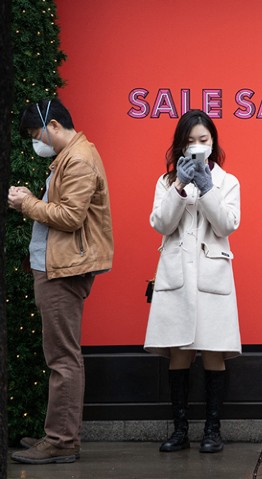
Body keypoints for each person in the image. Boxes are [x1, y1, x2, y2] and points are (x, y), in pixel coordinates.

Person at [9, 98, 114, 464]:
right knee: (59, 356)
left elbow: (69, 216)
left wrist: (26, 202)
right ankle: (57, 433)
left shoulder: (80, 159)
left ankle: (62, 440)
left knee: (63, 358)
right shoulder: (70, 156)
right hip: (56, 266)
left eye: (37, 134)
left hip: (64, 270)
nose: (36, 142)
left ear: (53, 125)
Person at [144, 109, 242, 454]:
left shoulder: (228, 181)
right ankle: (180, 430)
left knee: (214, 353)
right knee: (179, 353)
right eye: (190, 141)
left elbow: (227, 225)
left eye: (203, 140)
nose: (197, 146)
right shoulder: (166, 181)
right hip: (177, 276)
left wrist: (207, 188)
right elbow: (161, 224)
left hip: (213, 276)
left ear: (213, 142)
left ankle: (212, 431)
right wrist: (180, 187)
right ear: (180, 145)